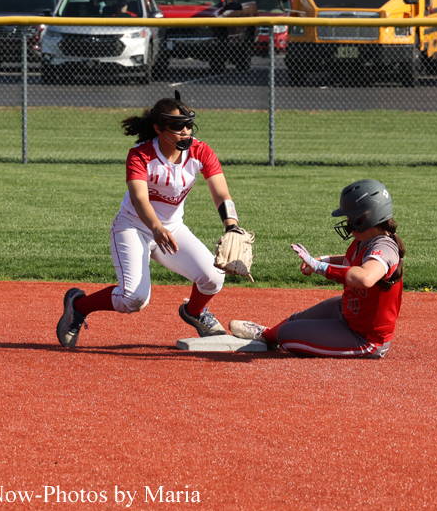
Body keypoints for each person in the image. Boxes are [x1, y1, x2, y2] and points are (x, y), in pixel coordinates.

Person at [56, 91, 242, 348]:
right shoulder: (141, 154)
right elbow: (139, 199)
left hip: (173, 228)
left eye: (188, 124)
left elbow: (221, 193)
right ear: (158, 128)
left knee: (213, 277)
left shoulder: (200, 151)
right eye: (176, 125)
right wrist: (155, 227)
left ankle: (195, 312)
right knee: (134, 299)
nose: (185, 131)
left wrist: (232, 226)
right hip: (133, 226)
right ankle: (78, 306)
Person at [230, 179, 405, 358]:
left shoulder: (385, 247)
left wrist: (319, 267)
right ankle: (266, 335)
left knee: (286, 335)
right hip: (351, 311)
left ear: (365, 218)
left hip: (364, 339)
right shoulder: (365, 240)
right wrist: (322, 260)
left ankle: (276, 337)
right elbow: (353, 260)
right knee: (296, 319)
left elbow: (365, 277)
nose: (346, 221)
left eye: (350, 217)